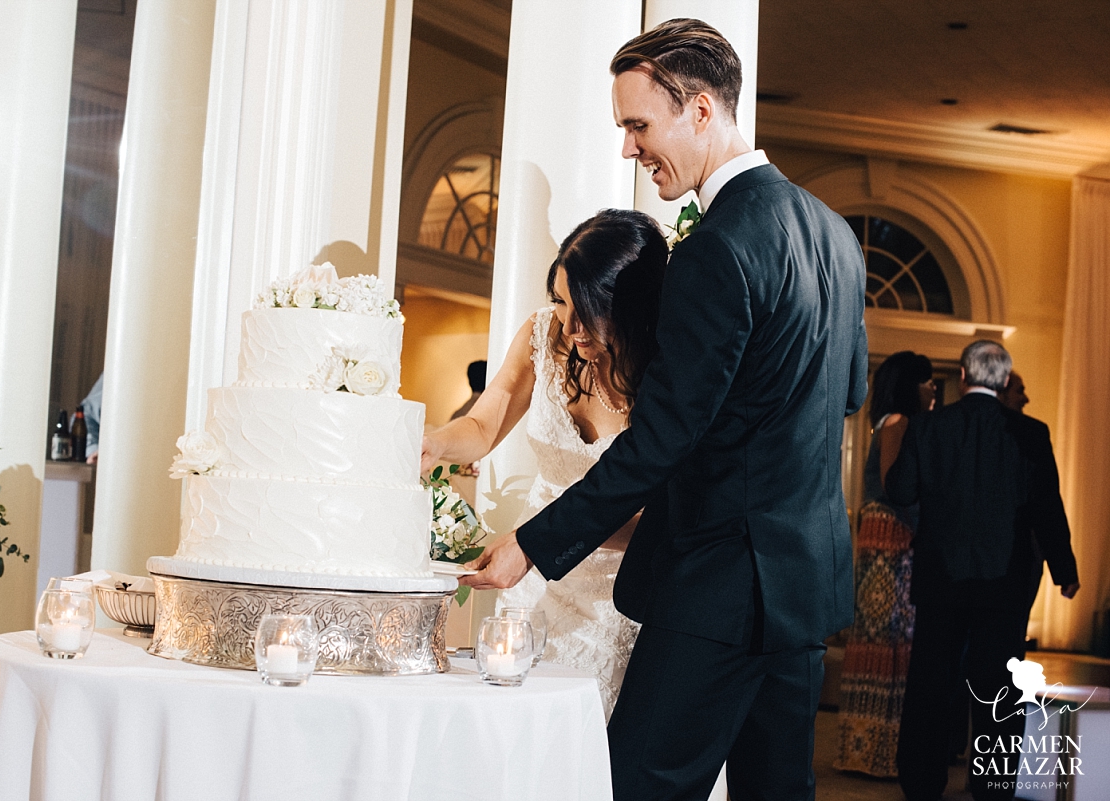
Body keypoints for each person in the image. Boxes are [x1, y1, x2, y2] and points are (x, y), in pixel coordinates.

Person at [462, 19, 868, 800]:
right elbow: (844, 395)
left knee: (636, 786)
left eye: (639, 125)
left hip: (719, 586)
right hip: (803, 590)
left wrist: (534, 543)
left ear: (703, 111)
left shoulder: (718, 247)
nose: (629, 148)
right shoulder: (836, 237)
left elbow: (661, 441)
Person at [421, 208, 668, 714]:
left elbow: (664, 517)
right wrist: (438, 444)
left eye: (590, 309)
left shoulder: (669, 370)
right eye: (561, 301)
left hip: (621, 593)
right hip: (531, 582)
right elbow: (484, 424)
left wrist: (545, 538)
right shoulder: (543, 337)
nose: (571, 325)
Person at [885, 340, 1079, 801]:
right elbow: (1046, 508)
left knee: (931, 687)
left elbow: (900, 489)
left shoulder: (929, 427)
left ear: (966, 377)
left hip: (940, 581)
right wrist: (1063, 569)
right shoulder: (1031, 433)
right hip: (1002, 583)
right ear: (1003, 379)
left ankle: (921, 782)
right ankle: (991, 786)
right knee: (998, 691)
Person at [835, 351, 934, 777]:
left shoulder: (885, 421)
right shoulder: (899, 423)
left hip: (879, 533)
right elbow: (896, 486)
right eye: (926, 381)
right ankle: (879, 750)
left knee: (880, 638)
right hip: (891, 534)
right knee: (890, 639)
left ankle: (867, 749)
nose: (932, 388)